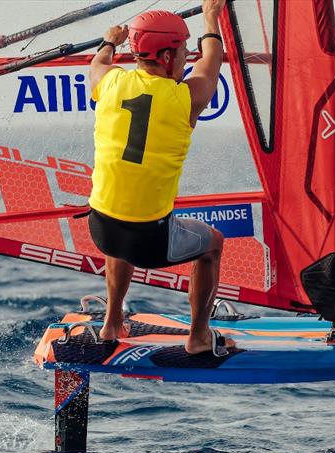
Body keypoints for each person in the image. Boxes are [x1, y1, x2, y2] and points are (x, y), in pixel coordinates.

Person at [86, 0, 234, 356]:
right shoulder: (184, 99)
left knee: (122, 220)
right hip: (150, 241)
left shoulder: (109, 83)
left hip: (101, 229)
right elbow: (212, 59)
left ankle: (111, 323)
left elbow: (97, 64)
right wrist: (212, 17)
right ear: (167, 57)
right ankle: (199, 336)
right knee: (212, 243)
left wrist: (110, 41)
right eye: (183, 50)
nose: (187, 57)